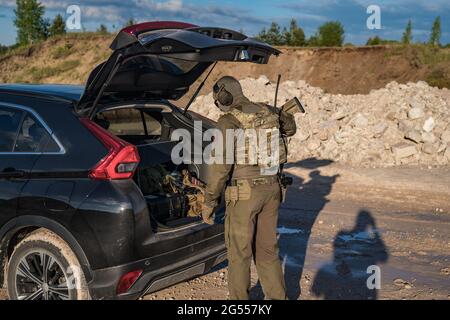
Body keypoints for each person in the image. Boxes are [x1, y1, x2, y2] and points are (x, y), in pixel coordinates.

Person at [202, 76, 296, 300]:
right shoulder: (267, 111)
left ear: (224, 96)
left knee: (239, 253)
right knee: (267, 250)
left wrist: (209, 201)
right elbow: (290, 129)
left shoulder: (228, 121)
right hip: (272, 189)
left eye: (218, 98)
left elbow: (220, 168)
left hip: (245, 195)